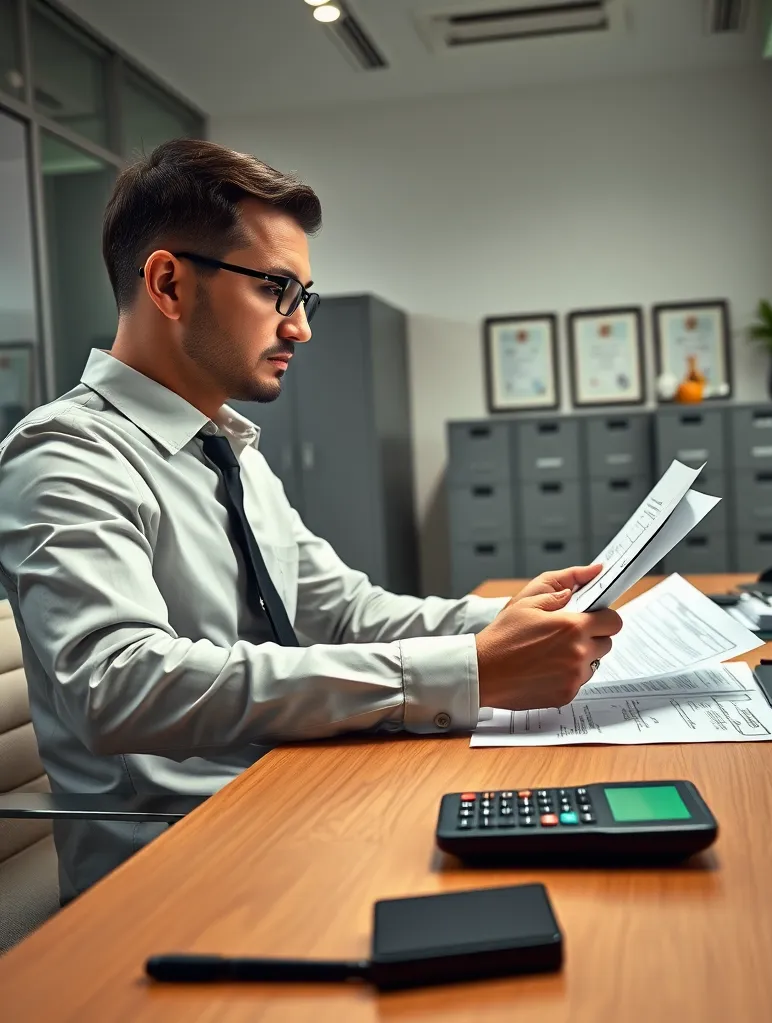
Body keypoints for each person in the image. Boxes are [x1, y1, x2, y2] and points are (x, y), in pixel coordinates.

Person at [0, 139, 621, 902]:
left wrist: (522, 620)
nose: (301, 328)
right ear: (167, 283)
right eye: (276, 291)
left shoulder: (228, 448)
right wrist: (471, 669)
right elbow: (118, 685)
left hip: (290, 800)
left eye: (304, 298)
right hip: (172, 870)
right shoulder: (63, 454)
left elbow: (342, 611)